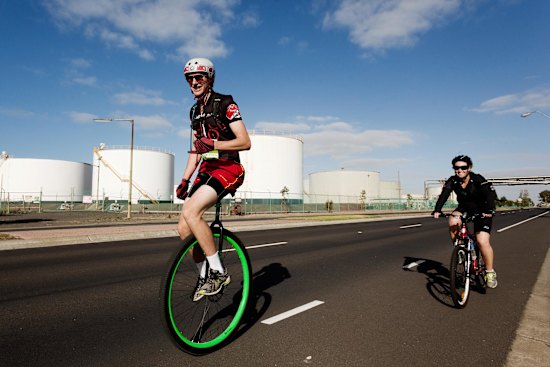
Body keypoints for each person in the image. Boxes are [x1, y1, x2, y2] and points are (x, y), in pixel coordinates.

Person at [176, 57, 251, 301]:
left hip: (228, 167)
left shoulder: (225, 103)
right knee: (184, 226)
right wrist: (185, 179)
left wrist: (215, 143)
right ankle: (205, 274)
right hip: (207, 168)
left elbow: (245, 141)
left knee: (193, 211)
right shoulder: (194, 112)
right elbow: (196, 149)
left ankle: (218, 272)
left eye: (200, 77)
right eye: (190, 78)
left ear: (210, 79)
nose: (194, 82)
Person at [432, 155, 498, 288]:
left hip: (482, 209)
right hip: (464, 208)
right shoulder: (453, 180)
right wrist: (437, 209)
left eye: (463, 167)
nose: (460, 170)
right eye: (456, 168)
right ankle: (460, 248)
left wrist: (489, 210)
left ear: (469, 168)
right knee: (452, 220)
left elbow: (490, 195)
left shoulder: (478, 179)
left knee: (482, 241)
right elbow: (444, 194)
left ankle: (490, 272)